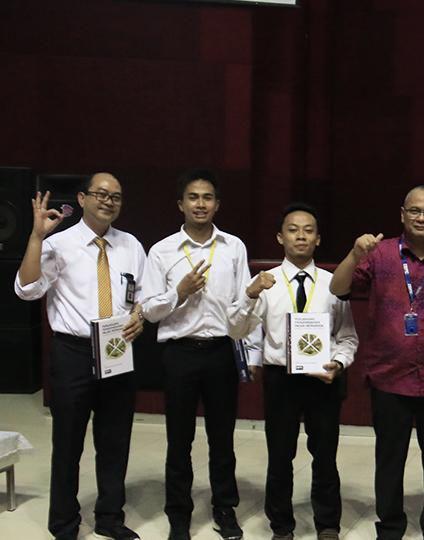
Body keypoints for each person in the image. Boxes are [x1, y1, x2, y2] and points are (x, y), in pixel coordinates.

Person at [328, 185, 424, 540]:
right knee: (389, 459)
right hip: (389, 376)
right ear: (402, 214)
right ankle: (390, 526)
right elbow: (337, 288)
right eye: (414, 210)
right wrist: (353, 253)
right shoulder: (379, 254)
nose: (421, 217)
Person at [14, 173, 146, 540]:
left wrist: (139, 318)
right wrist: (36, 236)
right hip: (73, 351)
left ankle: (109, 518)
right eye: (101, 194)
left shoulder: (131, 244)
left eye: (116, 196)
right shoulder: (59, 243)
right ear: (83, 198)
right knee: (68, 442)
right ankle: (64, 523)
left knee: (115, 441)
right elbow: (26, 289)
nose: (109, 201)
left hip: (117, 348)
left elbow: (142, 296)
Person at [140, 169, 260, 540]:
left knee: (222, 437)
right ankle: (179, 513)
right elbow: (148, 310)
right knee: (180, 439)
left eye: (207, 197)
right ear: (180, 204)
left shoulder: (233, 247)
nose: (200, 204)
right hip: (180, 354)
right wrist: (180, 291)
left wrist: (250, 353)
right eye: (193, 197)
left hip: (221, 351)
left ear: (217, 204)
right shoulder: (161, 251)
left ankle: (225, 508)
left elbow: (244, 305)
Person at [229, 203, 358, 540]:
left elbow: (347, 338)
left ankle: (328, 524)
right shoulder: (266, 283)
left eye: (308, 230)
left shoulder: (334, 285)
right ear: (279, 237)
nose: (301, 236)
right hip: (280, 379)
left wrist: (339, 363)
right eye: (293, 229)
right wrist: (249, 295)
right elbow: (238, 330)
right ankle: (281, 526)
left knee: (325, 455)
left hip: (323, 379)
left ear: (318, 239)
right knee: (281, 455)